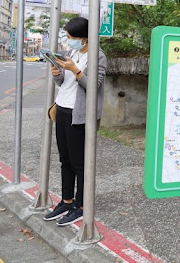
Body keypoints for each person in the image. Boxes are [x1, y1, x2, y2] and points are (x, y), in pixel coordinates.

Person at [43, 17, 107, 226]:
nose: (69, 41)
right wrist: (57, 74)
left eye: (72, 38)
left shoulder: (98, 56)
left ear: (85, 38)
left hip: (78, 115)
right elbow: (65, 83)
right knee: (65, 160)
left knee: (80, 162)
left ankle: (81, 206)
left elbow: (93, 86)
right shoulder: (73, 53)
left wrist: (75, 70)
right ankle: (66, 201)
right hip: (61, 109)